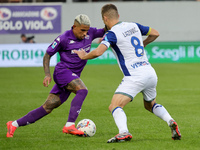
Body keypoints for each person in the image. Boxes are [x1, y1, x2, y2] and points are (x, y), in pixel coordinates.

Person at [74, 4, 181, 143]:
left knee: (114, 106)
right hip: (150, 72)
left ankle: (123, 132)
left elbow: (99, 52)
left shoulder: (111, 34)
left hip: (135, 76)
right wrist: (144, 43)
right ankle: (170, 120)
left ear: (105, 19)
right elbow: (155, 33)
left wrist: (84, 56)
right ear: (118, 16)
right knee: (150, 105)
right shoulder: (134, 25)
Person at [6, 14, 106, 138]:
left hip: (72, 76)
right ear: (74, 26)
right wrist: (47, 74)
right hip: (63, 72)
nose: (85, 33)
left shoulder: (90, 32)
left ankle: (13, 124)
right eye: (82, 30)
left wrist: (114, 25)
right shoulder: (63, 38)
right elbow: (47, 55)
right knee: (82, 90)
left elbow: (106, 30)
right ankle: (69, 125)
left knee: (47, 107)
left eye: (87, 30)